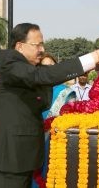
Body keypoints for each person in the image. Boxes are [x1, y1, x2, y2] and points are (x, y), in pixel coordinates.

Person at [0, 23, 99, 188]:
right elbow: (44, 76)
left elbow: (47, 78)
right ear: (19, 46)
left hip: (24, 156)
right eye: (36, 44)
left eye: (42, 44)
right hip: (9, 159)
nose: (41, 49)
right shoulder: (9, 62)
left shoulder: (28, 68)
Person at [32, 53, 76, 188]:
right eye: (44, 67)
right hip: (33, 139)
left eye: (52, 66)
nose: (49, 70)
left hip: (57, 140)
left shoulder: (67, 92)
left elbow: (71, 119)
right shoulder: (31, 90)